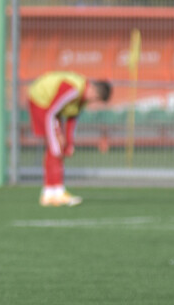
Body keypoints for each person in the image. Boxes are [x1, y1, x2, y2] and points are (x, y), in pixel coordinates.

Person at [27, 71, 112, 206]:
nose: (93, 104)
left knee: (57, 147)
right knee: (55, 147)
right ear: (94, 92)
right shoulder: (72, 90)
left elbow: (72, 118)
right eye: (96, 100)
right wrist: (58, 134)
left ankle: (49, 193)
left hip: (50, 109)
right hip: (41, 102)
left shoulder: (82, 97)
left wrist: (69, 143)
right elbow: (51, 112)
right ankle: (58, 191)